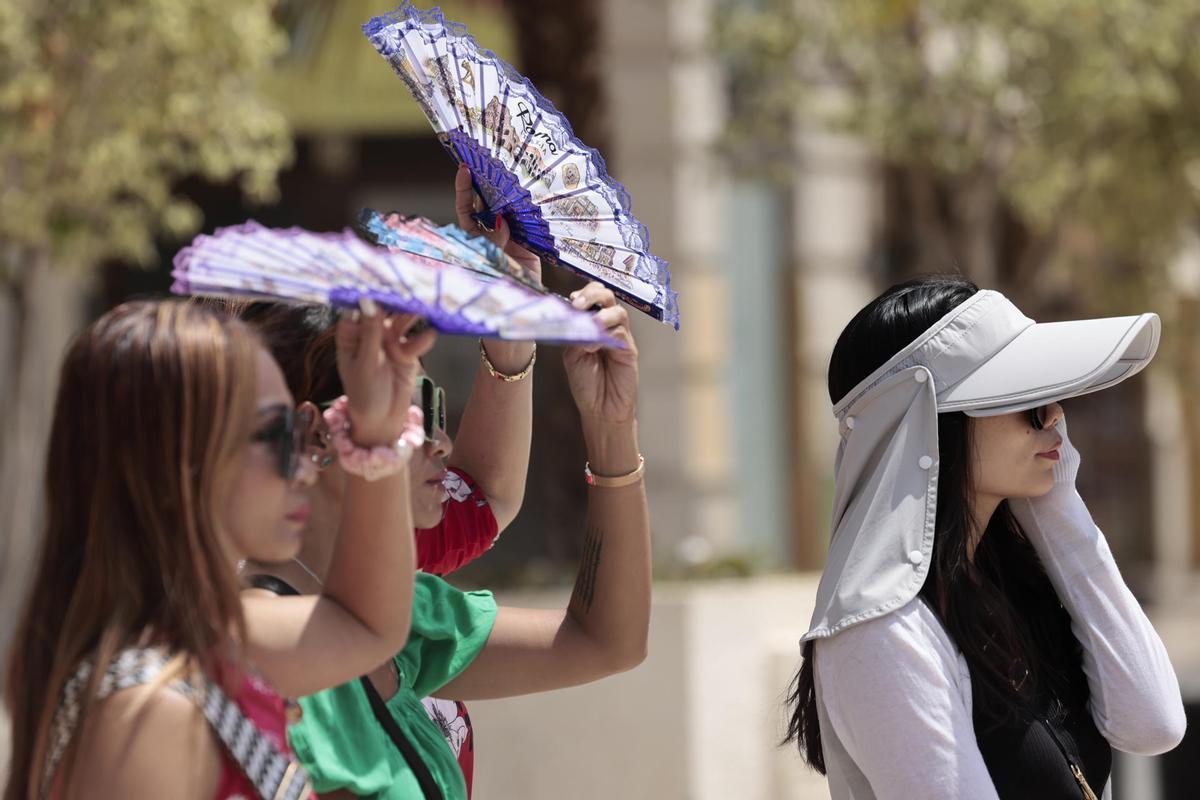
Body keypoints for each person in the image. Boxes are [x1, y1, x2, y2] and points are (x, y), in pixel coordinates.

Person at [4, 299, 434, 800]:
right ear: (181, 461)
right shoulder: (146, 716)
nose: (306, 465)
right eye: (279, 434)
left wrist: (377, 431)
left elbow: (370, 625)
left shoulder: (201, 635)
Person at [238, 281, 649, 798]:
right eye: (417, 407)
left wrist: (612, 427)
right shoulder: (253, 640)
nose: (443, 442)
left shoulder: (395, 612)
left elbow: (605, 643)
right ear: (319, 433)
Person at [786, 275, 1186, 799]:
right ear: (929, 424)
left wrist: (1055, 497)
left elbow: (1152, 723)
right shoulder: (882, 629)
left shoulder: (1011, 582)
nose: (1055, 416)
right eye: (1025, 396)